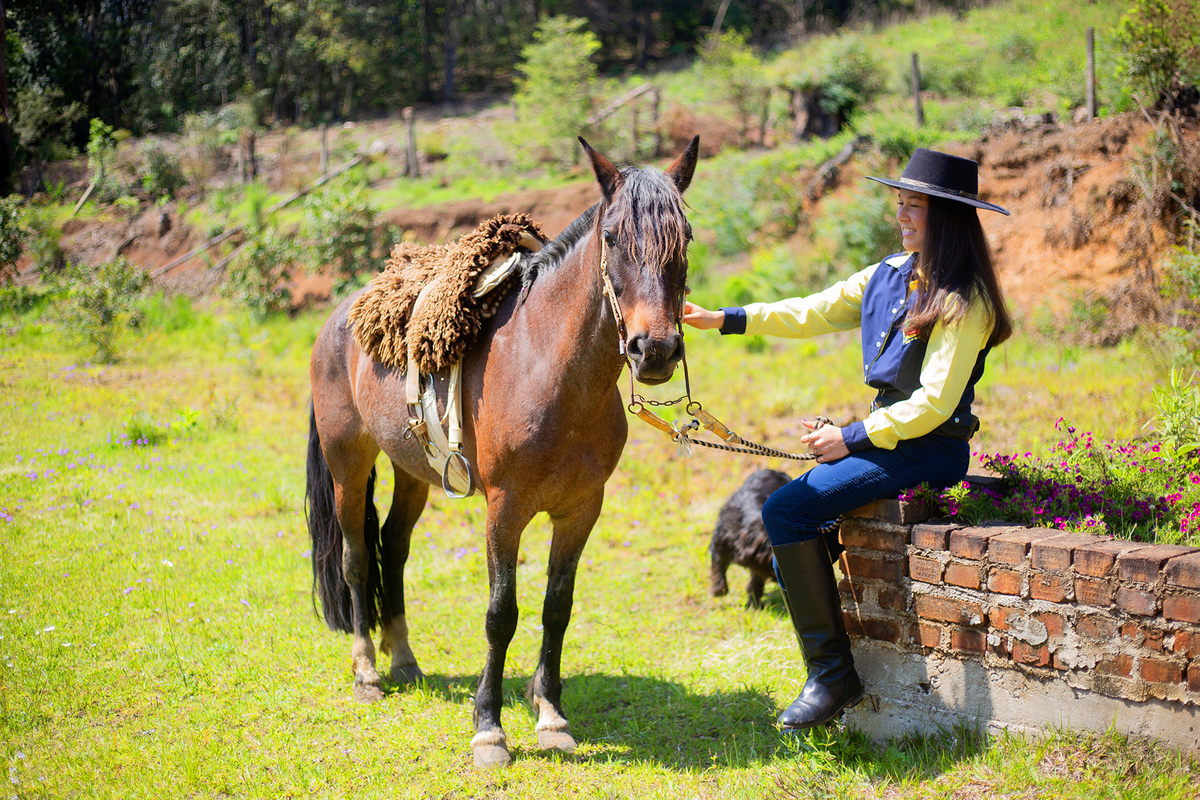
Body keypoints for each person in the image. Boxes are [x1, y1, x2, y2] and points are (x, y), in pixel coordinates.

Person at [683, 148, 1012, 731]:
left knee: (785, 510)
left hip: (929, 447)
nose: (902, 216)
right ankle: (836, 664)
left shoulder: (967, 300)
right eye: (900, 204)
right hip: (888, 436)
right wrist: (725, 319)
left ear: (950, 217)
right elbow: (812, 310)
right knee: (793, 549)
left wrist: (850, 436)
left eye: (916, 207)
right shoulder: (888, 273)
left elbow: (934, 403)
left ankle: (832, 677)